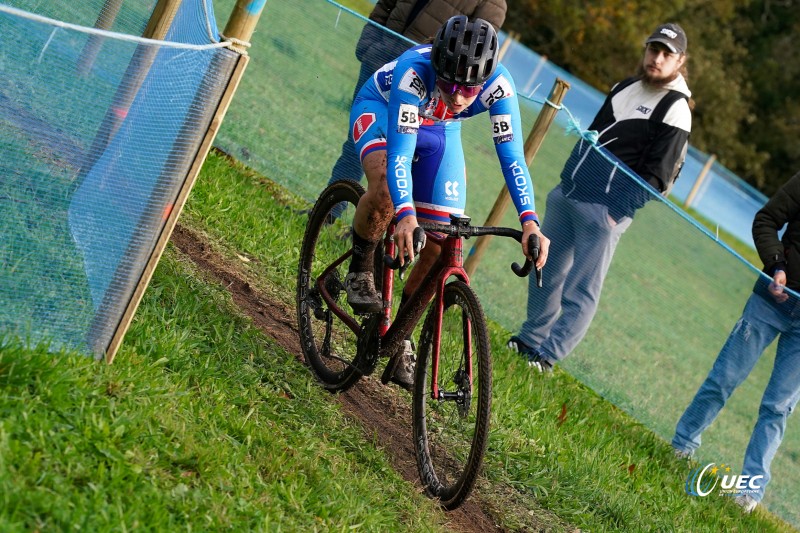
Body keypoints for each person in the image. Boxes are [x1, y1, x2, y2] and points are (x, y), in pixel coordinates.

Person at [342, 15, 550, 389]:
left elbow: (513, 158)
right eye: (450, 82)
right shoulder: (414, 73)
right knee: (387, 192)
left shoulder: (499, 86)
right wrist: (406, 215)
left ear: (484, 81)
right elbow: (400, 157)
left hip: (439, 131)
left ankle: (399, 335)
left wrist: (531, 221)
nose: (457, 96)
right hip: (383, 110)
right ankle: (359, 268)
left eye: (469, 89)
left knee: (444, 243)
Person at [508, 23, 693, 372]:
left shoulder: (676, 108)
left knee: (580, 290)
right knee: (542, 267)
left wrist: (615, 212)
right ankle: (530, 339)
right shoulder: (625, 87)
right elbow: (591, 135)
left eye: (667, 53)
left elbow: (658, 177)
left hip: (604, 212)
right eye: (654, 49)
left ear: (680, 61)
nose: (657, 58)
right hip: (570, 194)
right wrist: (566, 181)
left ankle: (547, 357)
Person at [672, 171, 800, 514]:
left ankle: (750, 491)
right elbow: (767, 220)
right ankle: (680, 447)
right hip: (771, 300)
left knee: (778, 407)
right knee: (724, 378)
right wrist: (776, 266)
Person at [328, 0, 507, 188]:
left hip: (422, 85)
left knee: (406, 158)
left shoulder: (493, 4)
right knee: (356, 146)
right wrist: (369, 45)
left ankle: (383, 214)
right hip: (380, 63)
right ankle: (328, 212)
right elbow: (385, 5)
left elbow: (477, 51)